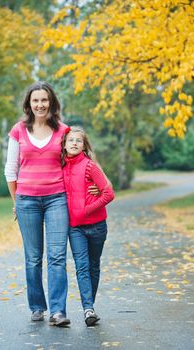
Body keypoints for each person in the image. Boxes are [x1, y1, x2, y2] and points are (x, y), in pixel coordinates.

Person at [4, 81, 72, 326]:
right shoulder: (18, 130)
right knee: (33, 258)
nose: (40, 104)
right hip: (27, 202)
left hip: (57, 199)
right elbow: (10, 170)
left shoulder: (64, 131)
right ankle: (37, 306)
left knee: (57, 256)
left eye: (44, 100)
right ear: (29, 104)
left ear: (51, 102)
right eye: (36, 100)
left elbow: (75, 164)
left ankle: (57, 311)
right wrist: (16, 202)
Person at [61, 126, 115, 326]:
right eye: (70, 140)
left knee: (93, 266)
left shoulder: (90, 166)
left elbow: (109, 194)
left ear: (84, 146)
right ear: (64, 145)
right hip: (75, 229)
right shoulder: (60, 167)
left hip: (97, 226)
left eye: (78, 140)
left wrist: (87, 209)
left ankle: (89, 304)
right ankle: (88, 309)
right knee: (82, 267)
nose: (74, 143)